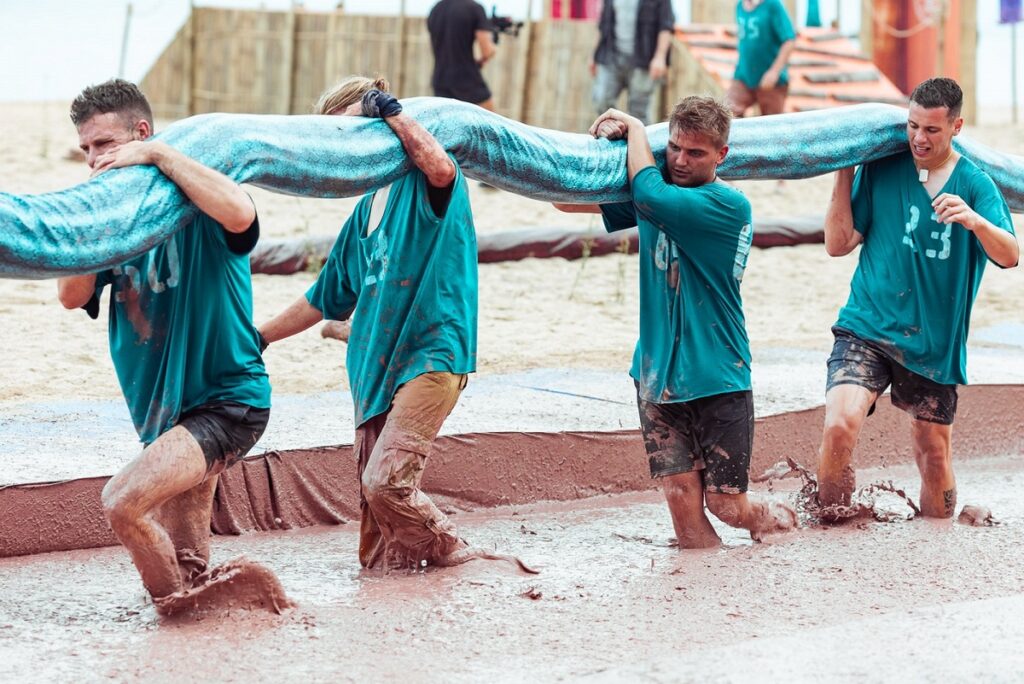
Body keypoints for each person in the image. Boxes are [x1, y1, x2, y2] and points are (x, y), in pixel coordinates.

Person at [262, 77, 529, 572]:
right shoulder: (363, 212)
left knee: (386, 483)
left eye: (350, 136)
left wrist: (391, 113)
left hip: (433, 356)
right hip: (371, 372)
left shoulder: (428, 184)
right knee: (378, 544)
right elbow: (323, 299)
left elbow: (441, 165)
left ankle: (453, 549)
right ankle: (397, 607)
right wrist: (260, 336)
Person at [57, 79, 280, 614]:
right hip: (167, 419)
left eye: (105, 145)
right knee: (188, 559)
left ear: (140, 132)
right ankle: (218, 623)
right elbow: (70, 295)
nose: (94, 159)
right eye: (87, 149)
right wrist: (93, 222)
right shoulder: (117, 223)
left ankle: (175, 614)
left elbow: (240, 212)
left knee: (123, 504)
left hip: (227, 403)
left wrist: (158, 155)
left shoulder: (197, 202)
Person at [554, 96, 796, 547]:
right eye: (676, 149)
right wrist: (581, 159)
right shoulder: (660, 191)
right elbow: (568, 203)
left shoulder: (727, 205)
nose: (681, 161)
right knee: (682, 503)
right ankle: (700, 607)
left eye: (696, 153)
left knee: (728, 507)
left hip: (717, 375)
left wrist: (635, 129)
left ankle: (779, 522)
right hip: (654, 373)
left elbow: (647, 192)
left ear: (721, 155)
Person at [817, 77, 1019, 519]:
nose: (918, 139)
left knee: (933, 453)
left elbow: (1010, 255)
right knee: (838, 426)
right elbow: (837, 244)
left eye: (931, 130)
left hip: (933, 344)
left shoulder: (976, 184)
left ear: (956, 127)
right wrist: (844, 169)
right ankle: (828, 531)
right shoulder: (882, 167)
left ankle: (937, 540)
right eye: (912, 127)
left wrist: (974, 222)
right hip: (866, 326)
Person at [590, 0, 675, 124]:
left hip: (644, 60)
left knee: (639, 111)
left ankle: (639, 141)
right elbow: (603, 24)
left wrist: (660, 57)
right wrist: (594, 55)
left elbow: (666, 26)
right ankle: (615, 135)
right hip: (612, 57)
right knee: (601, 100)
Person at [727, 0, 796, 118]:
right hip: (744, 76)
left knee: (771, 125)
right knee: (728, 113)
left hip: (771, 81)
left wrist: (774, 72)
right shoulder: (739, 6)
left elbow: (789, 40)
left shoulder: (772, 5)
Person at [427, 0, 497, 111]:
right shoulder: (475, 8)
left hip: (440, 80)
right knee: (490, 123)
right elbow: (487, 51)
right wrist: (492, 46)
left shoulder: (436, 9)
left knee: (449, 126)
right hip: (467, 80)